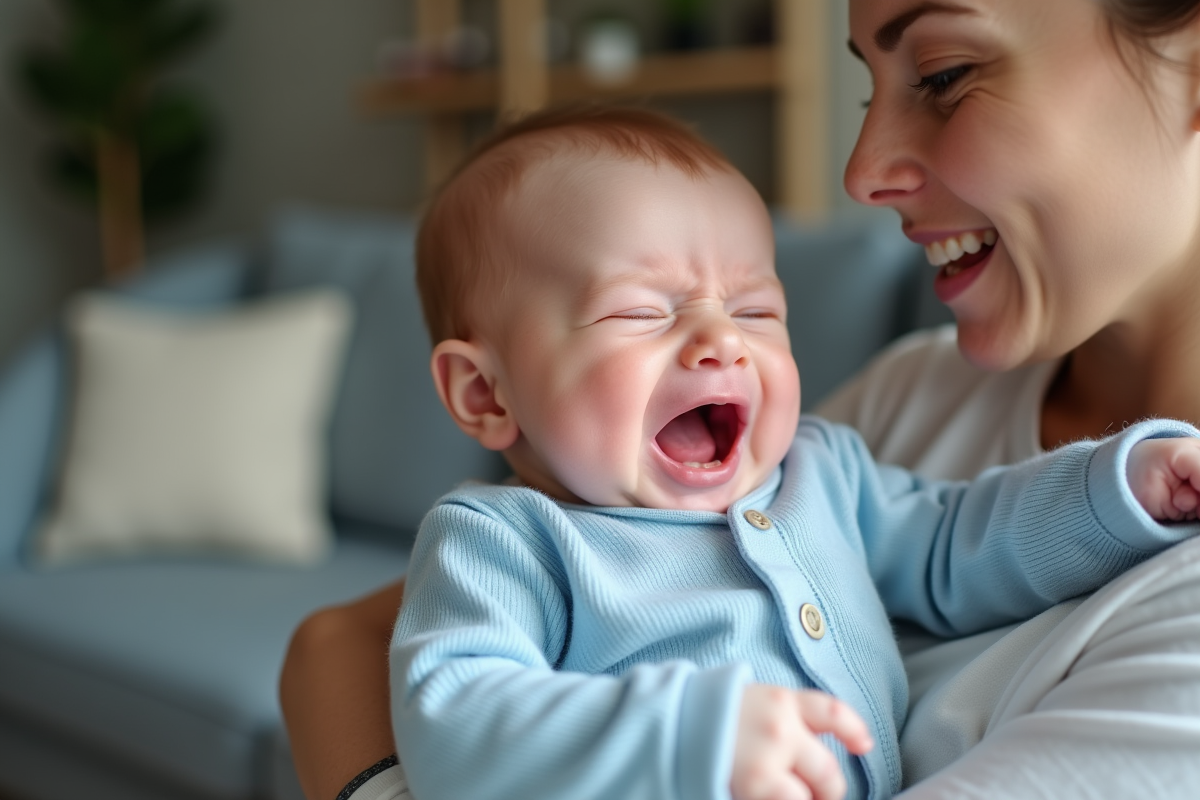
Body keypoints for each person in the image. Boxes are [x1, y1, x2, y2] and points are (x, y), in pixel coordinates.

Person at [280, 1, 1200, 797]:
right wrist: (686, 739)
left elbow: (958, 543)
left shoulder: (819, 470)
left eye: (759, 310)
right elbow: (437, 703)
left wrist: (1113, 489)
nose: (722, 341)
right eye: (641, 312)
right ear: (484, 393)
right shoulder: (507, 543)